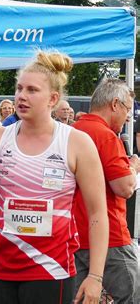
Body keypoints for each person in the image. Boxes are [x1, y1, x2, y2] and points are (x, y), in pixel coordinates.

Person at [0, 52, 108, 304]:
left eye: (32, 90)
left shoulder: (76, 143)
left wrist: (95, 276)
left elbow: (98, 214)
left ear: (53, 99)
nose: (22, 95)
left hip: (51, 272)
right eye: (19, 88)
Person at [71, 78, 139, 304]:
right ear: (114, 104)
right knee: (131, 296)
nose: (129, 116)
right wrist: (133, 167)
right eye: (128, 109)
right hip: (110, 236)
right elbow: (125, 187)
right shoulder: (105, 135)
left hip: (74, 236)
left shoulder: (71, 131)